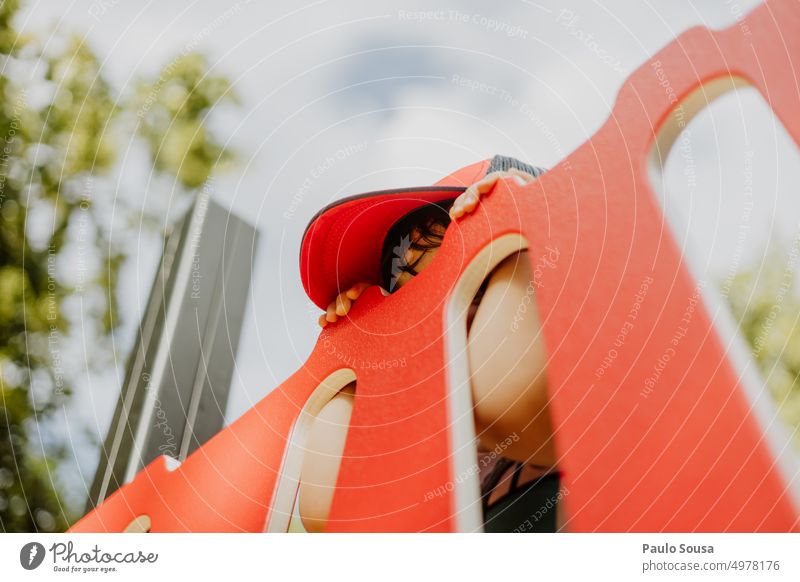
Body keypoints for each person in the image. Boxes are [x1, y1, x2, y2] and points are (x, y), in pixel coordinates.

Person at [298, 155, 564, 533]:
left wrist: (527, 228)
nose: (430, 319)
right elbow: (332, 508)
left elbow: (510, 404)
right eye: (402, 291)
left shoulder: (596, 394)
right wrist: (356, 364)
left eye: (472, 283)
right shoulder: (436, 468)